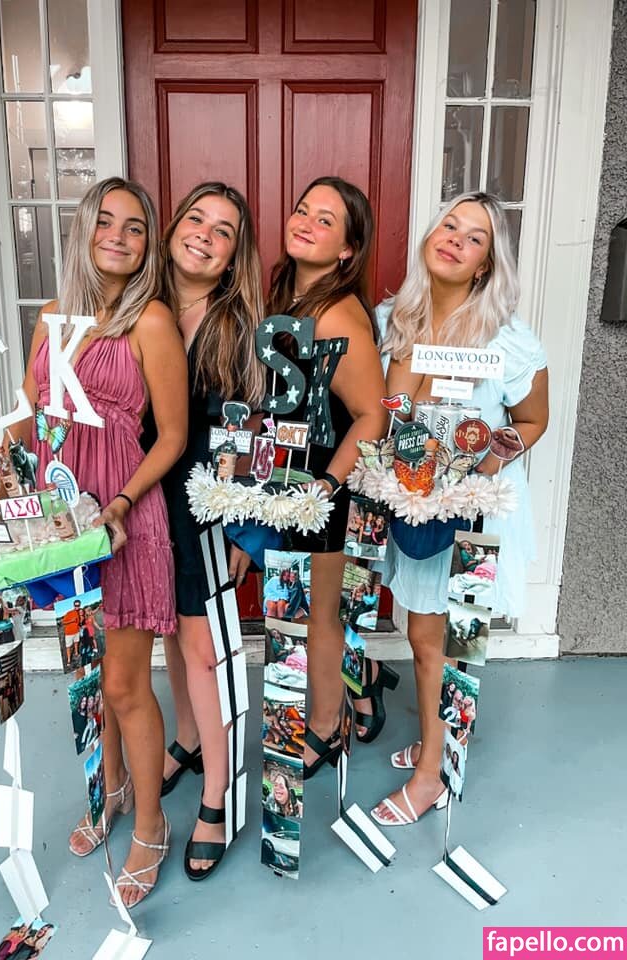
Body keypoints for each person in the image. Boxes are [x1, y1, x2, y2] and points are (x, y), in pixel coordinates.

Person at [12, 177, 188, 906]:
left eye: (135, 227)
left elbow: (172, 435)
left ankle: (151, 826)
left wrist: (117, 504)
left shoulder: (150, 321)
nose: (118, 236)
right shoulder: (51, 318)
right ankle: (108, 788)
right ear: (83, 231)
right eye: (105, 221)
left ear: (147, 245)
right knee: (88, 670)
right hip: (59, 517)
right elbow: (31, 412)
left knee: (123, 683)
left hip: (123, 513)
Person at [370, 191, 548, 826]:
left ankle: (431, 777)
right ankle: (438, 745)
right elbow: (386, 416)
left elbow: (533, 420)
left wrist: (482, 470)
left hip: (473, 507)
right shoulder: (390, 318)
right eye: (449, 226)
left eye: (474, 238)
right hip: (411, 502)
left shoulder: (508, 339)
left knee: (441, 640)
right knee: (422, 634)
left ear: (485, 265)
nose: (455, 240)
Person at [146, 182, 265, 880]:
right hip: (142, 499)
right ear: (171, 230)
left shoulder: (237, 327)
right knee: (167, 630)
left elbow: (252, 434)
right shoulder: (141, 306)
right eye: (196, 219)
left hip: (203, 508)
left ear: (232, 257)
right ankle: (187, 739)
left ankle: (217, 795)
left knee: (202, 648)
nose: (205, 234)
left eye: (224, 231)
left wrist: (241, 529)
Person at [265, 176, 389, 776]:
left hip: (325, 483)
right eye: (302, 209)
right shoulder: (286, 293)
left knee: (317, 612)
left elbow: (372, 415)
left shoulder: (338, 313)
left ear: (347, 249)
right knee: (297, 606)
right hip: (288, 477)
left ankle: (324, 725)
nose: (305, 222)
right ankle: (364, 678)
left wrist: (328, 485)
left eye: (325, 219)